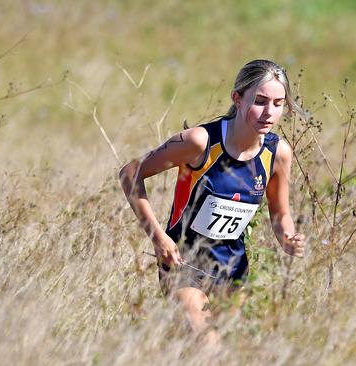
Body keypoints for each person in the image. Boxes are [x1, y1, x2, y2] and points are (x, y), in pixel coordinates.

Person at [119, 59, 306, 346]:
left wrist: (288, 238)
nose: (269, 112)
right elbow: (130, 174)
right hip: (183, 264)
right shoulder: (200, 142)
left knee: (229, 352)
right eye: (260, 101)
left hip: (233, 269)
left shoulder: (277, 152)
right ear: (237, 98)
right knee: (209, 350)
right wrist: (158, 238)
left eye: (278, 103)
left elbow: (280, 213)